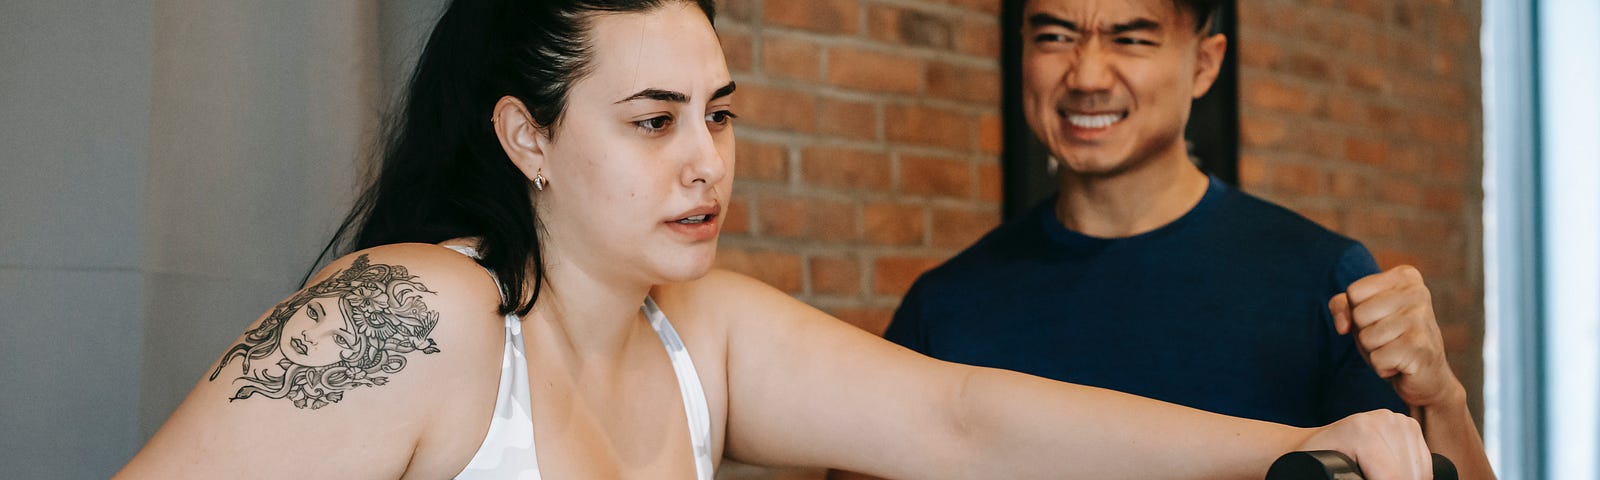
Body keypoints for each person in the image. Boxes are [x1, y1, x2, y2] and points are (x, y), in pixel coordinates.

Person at [116, 1, 1438, 478]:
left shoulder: (705, 330)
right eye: (649, 122)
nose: (706, 162)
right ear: (526, 139)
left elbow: (963, 422)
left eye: (720, 114)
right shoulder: (422, 314)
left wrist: (1297, 445)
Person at [839, 0, 1494, 479]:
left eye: (1131, 37)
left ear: (1205, 64)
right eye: (1056, 34)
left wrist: (1442, 398)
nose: (1087, 75)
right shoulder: (945, 303)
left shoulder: (1324, 280)